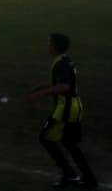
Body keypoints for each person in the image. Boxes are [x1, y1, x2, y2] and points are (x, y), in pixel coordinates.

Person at [29, 33, 98, 189]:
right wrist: (43, 86)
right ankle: (88, 179)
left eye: (49, 43)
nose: (47, 46)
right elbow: (62, 81)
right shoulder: (64, 61)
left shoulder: (61, 63)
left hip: (66, 109)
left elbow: (64, 86)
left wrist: (40, 94)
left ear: (54, 46)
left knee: (46, 138)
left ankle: (70, 175)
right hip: (72, 106)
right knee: (69, 143)